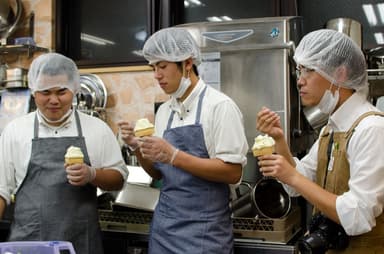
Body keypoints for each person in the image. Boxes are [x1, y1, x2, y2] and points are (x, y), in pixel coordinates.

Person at [118, 27, 248, 254]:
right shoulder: (164, 111)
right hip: (164, 230)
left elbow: (232, 172)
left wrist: (175, 156)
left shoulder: (219, 107)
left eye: (163, 66)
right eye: (154, 67)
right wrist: (137, 147)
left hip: (205, 233)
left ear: (187, 63)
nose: (157, 75)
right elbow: (159, 173)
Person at [256, 29, 384, 253]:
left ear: (340, 74)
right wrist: (279, 140)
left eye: (309, 70)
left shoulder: (371, 129)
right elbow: (300, 184)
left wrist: (292, 176)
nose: (300, 81)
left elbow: (357, 214)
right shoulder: (331, 128)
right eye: (299, 70)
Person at [0, 52, 128, 254]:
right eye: (45, 92)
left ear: (74, 90)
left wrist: (92, 174)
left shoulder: (97, 129)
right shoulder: (15, 131)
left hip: (81, 244)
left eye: (61, 92)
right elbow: (1, 190)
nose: (53, 100)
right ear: (34, 91)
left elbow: (118, 179)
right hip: (30, 244)